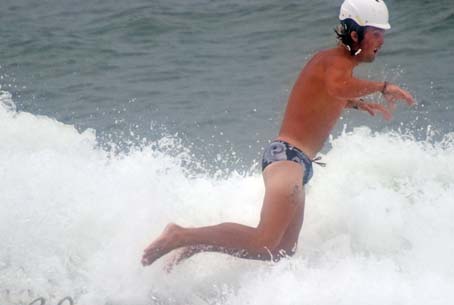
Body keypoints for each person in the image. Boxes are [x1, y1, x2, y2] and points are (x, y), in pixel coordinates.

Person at [142, 0, 415, 267]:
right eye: (376, 33)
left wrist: (354, 103)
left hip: (298, 162)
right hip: (287, 158)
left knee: (281, 251)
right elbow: (337, 87)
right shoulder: (335, 62)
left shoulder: (335, 64)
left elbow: (326, 95)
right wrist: (383, 87)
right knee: (263, 240)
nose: (382, 41)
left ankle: (199, 243)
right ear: (355, 35)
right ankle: (180, 235)